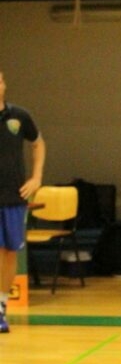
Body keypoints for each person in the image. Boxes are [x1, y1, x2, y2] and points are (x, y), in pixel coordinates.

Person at [0, 70, 46, 335]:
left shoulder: (19, 116)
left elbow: (38, 144)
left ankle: (1, 307)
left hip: (13, 196)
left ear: (4, 85)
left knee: (9, 253)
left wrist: (36, 177)